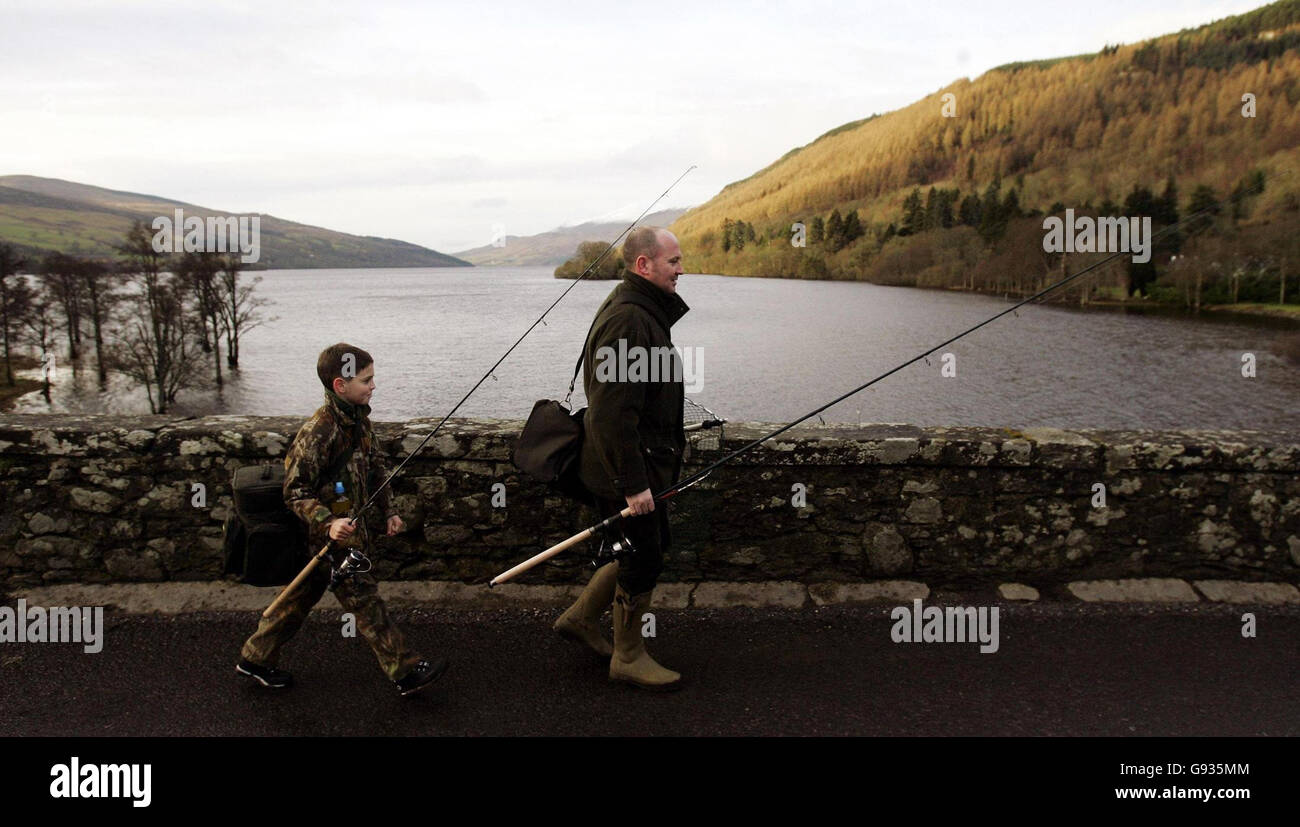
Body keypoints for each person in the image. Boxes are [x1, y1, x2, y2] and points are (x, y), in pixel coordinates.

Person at [236, 343, 447, 696]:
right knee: (366, 603)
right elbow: (295, 492)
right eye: (366, 380)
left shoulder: (359, 421)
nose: (373, 386)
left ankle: (254, 659)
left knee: (295, 604)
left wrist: (389, 512)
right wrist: (327, 522)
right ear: (340, 385)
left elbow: (376, 468)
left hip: (346, 537)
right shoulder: (318, 432)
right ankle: (406, 672)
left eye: (373, 378)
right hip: (328, 543)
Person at [553, 226, 688, 690]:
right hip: (627, 470)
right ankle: (628, 655)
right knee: (642, 557)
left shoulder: (640, 311)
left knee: (644, 548)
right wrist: (633, 484)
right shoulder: (631, 320)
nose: (681, 269)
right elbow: (610, 415)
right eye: (673, 261)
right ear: (643, 265)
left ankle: (581, 618)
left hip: (637, 463)